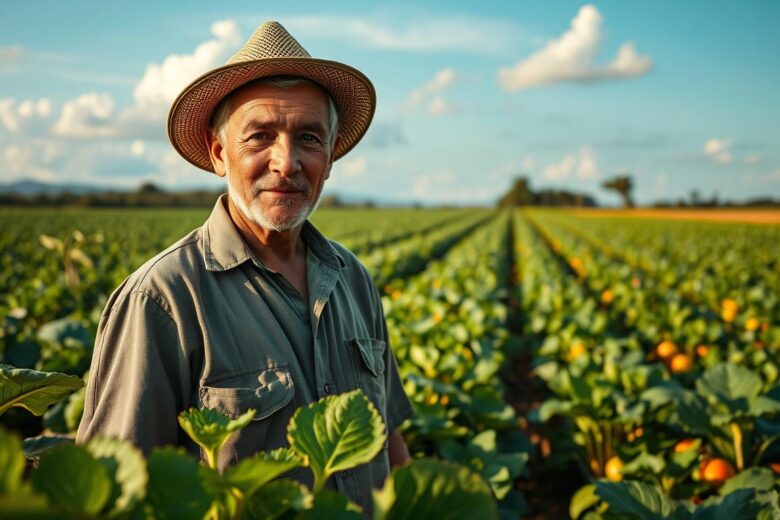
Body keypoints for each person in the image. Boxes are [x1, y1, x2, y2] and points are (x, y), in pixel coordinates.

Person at [77, 21, 413, 513]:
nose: (286, 162)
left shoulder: (353, 278)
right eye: (259, 137)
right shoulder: (162, 299)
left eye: (310, 138)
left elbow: (390, 444)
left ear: (330, 157)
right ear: (219, 154)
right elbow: (112, 494)